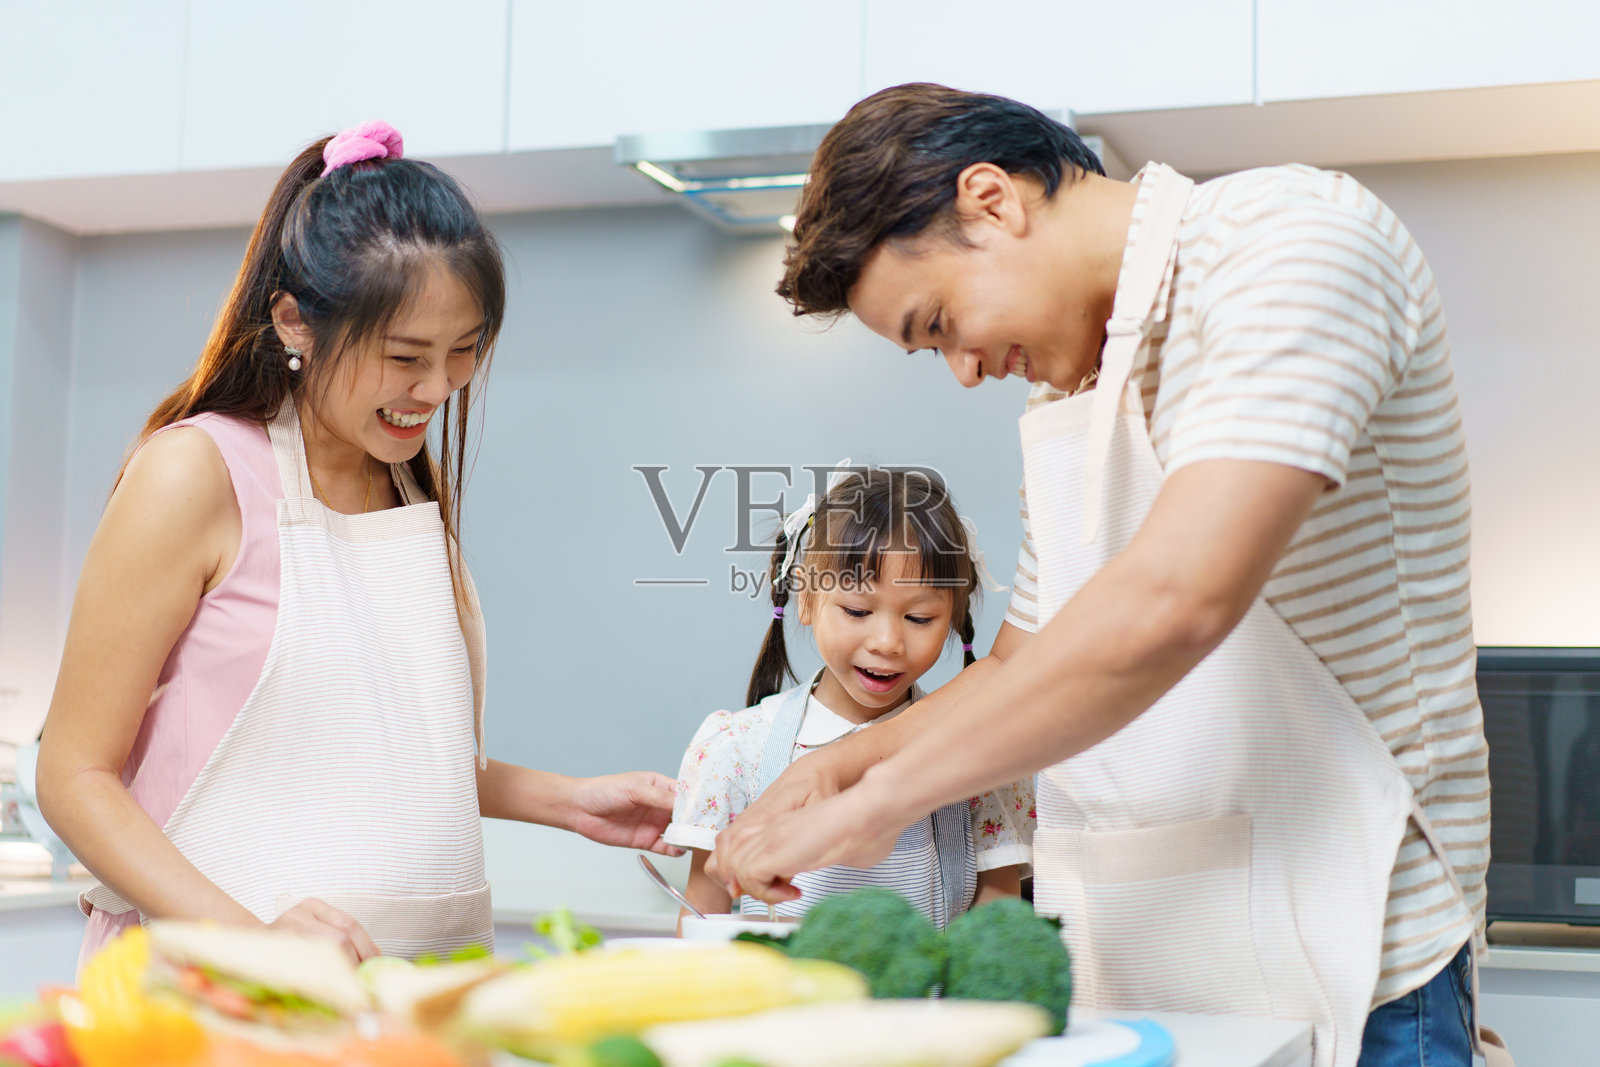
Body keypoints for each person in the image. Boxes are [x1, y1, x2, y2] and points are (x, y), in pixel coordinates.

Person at [707, 85, 1503, 1067]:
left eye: (939, 320)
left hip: (1355, 944)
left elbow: (1175, 601)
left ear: (991, 200)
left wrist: (881, 801)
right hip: (1140, 954)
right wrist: (837, 766)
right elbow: (1017, 664)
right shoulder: (1066, 386)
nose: (960, 369)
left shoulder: (1285, 241)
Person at [35, 122, 678, 969]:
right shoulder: (196, 474)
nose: (437, 390)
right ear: (295, 322)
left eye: (465, 352)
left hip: (416, 993)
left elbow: (380, 760)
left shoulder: (405, 485)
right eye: (405, 356)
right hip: (216, 990)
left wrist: (571, 800)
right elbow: (72, 774)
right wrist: (257, 941)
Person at [665, 466, 1032, 928]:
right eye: (857, 610)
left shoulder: (983, 761)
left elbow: (998, 919)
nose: (887, 642)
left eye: (919, 618)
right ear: (805, 598)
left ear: (955, 618)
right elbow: (702, 914)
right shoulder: (737, 749)